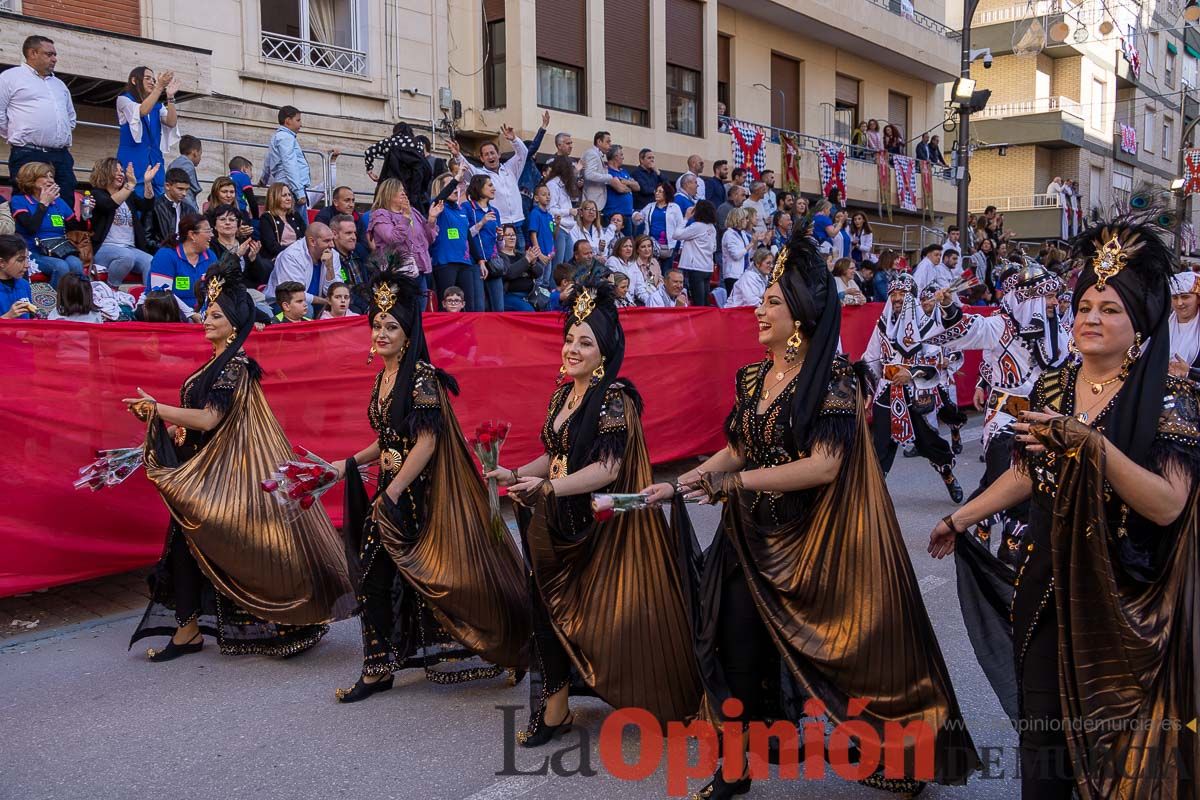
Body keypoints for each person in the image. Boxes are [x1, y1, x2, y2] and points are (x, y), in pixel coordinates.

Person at [643, 235, 979, 799]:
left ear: (798, 315)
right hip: (748, 535)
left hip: (817, 542)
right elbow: (738, 449)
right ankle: (735, 766)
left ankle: (894, 746)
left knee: (849, 651)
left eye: (771, 301)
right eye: (763, 300)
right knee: (732, 640)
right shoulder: (752, 379)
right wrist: (680, 484)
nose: (759, 309)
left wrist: (733, 482)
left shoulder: (835, 380)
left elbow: (823, 466)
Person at [931, 218, 1199, 799]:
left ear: (1140, 323)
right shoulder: (1052, 386)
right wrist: (962, 517)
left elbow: (1169, 505)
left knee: (1118, 751)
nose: (1091, 319)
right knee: (1043, 740)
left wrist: (1091, 444)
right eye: (1084, 306)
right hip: (1046, 584)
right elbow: (1027, 476)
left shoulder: (1172, 398)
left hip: (1124, 599)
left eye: (1109, 309)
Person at [485, 281, 702, 745]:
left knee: (598, 619)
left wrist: (550, 487)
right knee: (545, 611)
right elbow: (555, 452)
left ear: (604, 351)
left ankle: (637, 687)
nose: (573, 349)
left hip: (594, 528)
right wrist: (515, 472)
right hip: (553, 521)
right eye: (569, 339)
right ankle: (556, 706)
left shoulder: (614, 398)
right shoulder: (562, 397)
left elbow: (608, 468)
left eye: (585, 342)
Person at [125, 255, 354, 661]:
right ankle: (188, 630)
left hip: (226, 478)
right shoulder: (214, 365)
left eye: (215, 315)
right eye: (206, 313)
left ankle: (273, 618)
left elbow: (213, 418)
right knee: (184, 548)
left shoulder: (236, 366)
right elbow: (204, 422)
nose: (206, 320)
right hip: (200, 471)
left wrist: (159, 409)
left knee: (217, 549)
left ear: (234, 322)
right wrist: (176, 429)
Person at [328, 268, 528, 701]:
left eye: (391, 326)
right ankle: (378, 667)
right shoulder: (383, 377)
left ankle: (512, 645)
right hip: (393, 489)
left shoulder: (421, 377)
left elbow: (427, 440)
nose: (381, 333)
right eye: (377, 325)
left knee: (453, 577)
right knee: (376, 575)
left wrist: (394, 491)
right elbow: (387, 437)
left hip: (421, 497)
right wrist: (344, 465)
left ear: (408, 331)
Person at [926, 262, 1068, 561]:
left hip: (1044, 423)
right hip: (1006, 417)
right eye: (1049, 297)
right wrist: (951, 306)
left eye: (1056, 296)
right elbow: (970, 329)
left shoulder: (1061, 333)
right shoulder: (1001, 325)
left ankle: (1005, 536)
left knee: (1034, 489)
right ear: (1031, 299)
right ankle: (1008, 549)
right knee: (1008, 476)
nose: (1056, 302)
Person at [864, 273, 964, 502]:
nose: (897, 299)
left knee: (929, 442)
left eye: (903, 294)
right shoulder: (882, 326)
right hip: (888, 391)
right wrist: (868, 388)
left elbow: (937, 361)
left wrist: (911, 372)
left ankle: (947, 472)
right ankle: (874, 491)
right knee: (880, 443)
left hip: (917, 391)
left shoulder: (928, 326)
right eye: (893, 295)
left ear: (912, 297)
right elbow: (871, 359)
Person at [0, 36, 77, 205]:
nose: (54, 59)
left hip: (60, 155)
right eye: (49, 54)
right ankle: (29, 233)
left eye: (55, 54)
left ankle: (61, 232)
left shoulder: (59, 85)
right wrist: (18, 134)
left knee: (65, 201)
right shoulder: (10, 78)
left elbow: (70, 118)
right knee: (28, 201)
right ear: (32, 53)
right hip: (28, 153)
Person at [452, 117, 537, 243]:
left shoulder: (510, 168)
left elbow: (523, 154)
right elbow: (467, 169)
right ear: (481, 158)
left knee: (521, 259)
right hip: (499, 225)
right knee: (504, 259)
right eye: (486, 154)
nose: (490, 156)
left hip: (518, 224)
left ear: (499, 154)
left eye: (492, 153)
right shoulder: (480, 174)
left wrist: (514, 139)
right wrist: (458, 155)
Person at [9, 160, 83, 288]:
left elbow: (75, 227)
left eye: (51, 176)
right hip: (33, 251)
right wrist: (43, 204)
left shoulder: (59, 202)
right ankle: (52, 305)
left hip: (59, 250)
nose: (51, 180)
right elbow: (31, 228)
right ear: (31, 178)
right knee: (61, 267)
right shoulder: (19, 200)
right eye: (45, 176)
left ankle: (74, 303)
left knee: (76, 264)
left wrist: (85, 213)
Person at [90, 158, 157, 287]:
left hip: (129, 248)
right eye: (116, 171)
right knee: (126, 257)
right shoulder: (97, 194)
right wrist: (130, 185)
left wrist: (147, 183)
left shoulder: (128, 196)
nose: (121, 174)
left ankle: (148, 299)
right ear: (105, 172)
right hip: (104, 248)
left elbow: (146, 206)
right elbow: (109, 205)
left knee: (150, 261)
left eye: (122, 171)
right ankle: (111, 289)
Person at [368, 179, 441, 296]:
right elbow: (393, 239)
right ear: (389, 194)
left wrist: (431, 219)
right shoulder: (380, 215)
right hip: (397, 271)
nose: (403, 193)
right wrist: (405, 217)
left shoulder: (413, 212)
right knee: (403, 308)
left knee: (420, 308)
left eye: (403, 190)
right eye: (399, 190)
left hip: (418, 268)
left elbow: (428, 239)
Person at [115, 67, 179, 196]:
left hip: (155, 162)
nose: (152, 82)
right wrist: (159, 87)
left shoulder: (157, 106)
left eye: (154, 80)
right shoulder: (124, 100)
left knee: (157, 206)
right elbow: (142, 111)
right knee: (136, 203)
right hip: (133, 163)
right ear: (134, 80)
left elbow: (171, 122)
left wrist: (170, 97)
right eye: (147, 78)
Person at [429, 174, 479, 312]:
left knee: (468, 305)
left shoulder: (461, 210)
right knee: (446, 305)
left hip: (465, 263)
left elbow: (468, 236)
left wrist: (480, 260)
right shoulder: (437, 206)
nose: (455, 189)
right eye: (451, 185)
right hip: (445, 262)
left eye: (457, 186)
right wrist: (456, 178)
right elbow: (441, 197)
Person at [147, 213, 216, 311]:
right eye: (207, 231)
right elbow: (162, 294)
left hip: (198, 311)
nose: (212, 235)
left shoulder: (210, 256)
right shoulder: (165, 256)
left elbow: (214, 290)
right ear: (192, 234)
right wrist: (190, 314)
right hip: (164, 310)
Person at [265, 221, 337, 316]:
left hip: (318, 302)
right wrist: (325, 301)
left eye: (332, 240)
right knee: (305, 309)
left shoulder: (332, 254)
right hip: (282, 304)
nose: (332, 245)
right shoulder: (291, 256)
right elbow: (293, 294)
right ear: (312, 241)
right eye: (327, 241)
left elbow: (333, 291)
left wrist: (330, 268)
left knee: (340, 305)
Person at [364, 122, 433, 212]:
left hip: (392, 184)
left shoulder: (389, 142)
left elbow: (369, 152)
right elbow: (421, 163)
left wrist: (370, 171)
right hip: (412, 186)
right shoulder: (418, 143)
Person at [464, 174, 503, 311]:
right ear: (480, 188)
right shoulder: (467, 207)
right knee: (478, 307)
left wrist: (500, 237)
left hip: (493, 262)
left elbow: (500, 246)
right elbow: (466, 234)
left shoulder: (495, 211)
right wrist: (482, 222)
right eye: (490, 185)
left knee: (499, 308)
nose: (494, 189)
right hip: (474, 262)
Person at [260, 106, 310, 210]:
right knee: (300, 224)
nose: (301, 124)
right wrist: (299, 192)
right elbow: (289, 163)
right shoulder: (286, 137)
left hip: (285, 186)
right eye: (298, 120)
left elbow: (268, 160)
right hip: (291, 188)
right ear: (288, 121)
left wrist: (263, 179)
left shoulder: (277, 136)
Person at [208, 203, 268, 286]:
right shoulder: (210, 247)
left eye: (232, 220)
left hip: (247, 290)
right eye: (222, 219)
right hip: (222, 291)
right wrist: (237, 255)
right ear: (214, 225)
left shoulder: (246, 244)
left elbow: (260, 278)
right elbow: (217, 274)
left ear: (238, 225)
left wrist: (253, 260)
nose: (227, 223)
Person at [143, 167, 200, 251]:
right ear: (167, 186)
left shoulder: (189, 210)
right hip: (161, 253)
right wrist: (167, 249)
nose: (184, 193)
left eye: (186, 189)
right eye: (180, 189)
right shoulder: (154, 206)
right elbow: (146, 238)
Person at [675, 200, 717, 306]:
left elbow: (677, 235)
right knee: (705, 300)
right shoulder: (712, 228)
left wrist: (685, 218)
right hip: (707, 267)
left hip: (696, 268)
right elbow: (714, 248)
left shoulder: (697, 226)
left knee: (698, 302)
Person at [635, 181, 682, 275]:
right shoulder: (650, 206)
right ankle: (651, 287)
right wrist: (635, 215)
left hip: (668, 246)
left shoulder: (675, 207)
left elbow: (680, 226)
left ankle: (664, 288)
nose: (657, 193)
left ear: (666, 193)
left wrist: (681, 245)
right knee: (651, 271)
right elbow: (637, 219)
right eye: (656, 191)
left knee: (666, 272)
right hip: (652, 246)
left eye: (660, 191)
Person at [329, 213, 372, 314]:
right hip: (348, 303)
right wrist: (366, 307)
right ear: (334, 234)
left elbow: (372, 278)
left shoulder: (360, 250)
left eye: (354, 233)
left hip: (368, 298)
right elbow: (341, 292)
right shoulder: (330, 257)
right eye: (348, 233)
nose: (353, 237)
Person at [495, 223, 544, 311]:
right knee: (529, 311)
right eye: (508, 235)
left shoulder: (521, 254)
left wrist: (533, 263)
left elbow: (539, 273)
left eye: (513, 235)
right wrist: (527, 260)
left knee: (547, 305)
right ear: (502, 238)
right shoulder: (499, 256)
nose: (512, 237)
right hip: (510, 296)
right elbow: (509, 273)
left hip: (530, 294)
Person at [314, 186, 370, 261]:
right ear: (335, 202)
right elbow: (321, 243)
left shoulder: (356, 216)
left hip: (354, 258)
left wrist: (350, 249)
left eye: (353, 201)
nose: (351, 205)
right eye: (347, 200)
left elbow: (364, 245)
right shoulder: (324, 217)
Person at [544, 156, 579, 269]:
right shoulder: (552, 185)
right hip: (559, 227)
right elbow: (551, 210)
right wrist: (569, 211)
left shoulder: (564, 185)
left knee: (569, 262)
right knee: (558, 264)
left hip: (568, 228)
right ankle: (554, 286)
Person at [258, 182, 307, 261]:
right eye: (284, 195)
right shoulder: (266, 218)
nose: (288, 198)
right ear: (274, 198)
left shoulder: (295, 215)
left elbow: (305, 236)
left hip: (299, 257)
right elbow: (272, 247)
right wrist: (293, 252)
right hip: (279, 259)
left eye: (289, 195)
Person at [1168, 271, 1200, 379]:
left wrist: (1190, 372)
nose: (1179, 303)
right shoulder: (1161, 325)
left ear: (1198, 298)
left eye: (1185, 297)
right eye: (1175, 298)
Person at [603, 145, 637, 237]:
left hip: (627, 216)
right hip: (613, 215)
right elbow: (621, 189)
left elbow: (637, 187)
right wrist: (630, 186)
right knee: (611, 243)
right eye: (621, 154)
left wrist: (626, 182)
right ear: (615, 156)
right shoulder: (607, 171)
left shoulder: (624, 172)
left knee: (627, 244)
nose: (623, 157)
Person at [0, 234, 35, 319]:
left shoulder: (24, 285)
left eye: (27, 259)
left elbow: (30, 318)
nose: (27, 265)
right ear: (2, 263)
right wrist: (7, 317)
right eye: (20, 260)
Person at [721, 207, 754, 295]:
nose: (747, 221)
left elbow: (749, 255)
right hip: (733, 275)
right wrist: (750, 244)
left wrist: (756, 242)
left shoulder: (742, 233)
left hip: (744, 274)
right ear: (738, 219)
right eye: (745, 218)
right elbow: (736, 255)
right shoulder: (729, 234)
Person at [579, 130, 612, 212]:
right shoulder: (592, 154)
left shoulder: (596, 154)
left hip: (595, 202)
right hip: (592, 202)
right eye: (608, 142)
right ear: (599, 141)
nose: (610, 145)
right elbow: (589, 174)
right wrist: (608, 177)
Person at [167, 135, 203, 206]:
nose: (200, 158)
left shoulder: (174, 163)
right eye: (200, 154)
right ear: (195, 152)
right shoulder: (186, 164)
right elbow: (187, 193)